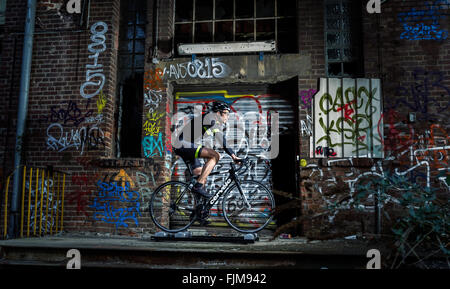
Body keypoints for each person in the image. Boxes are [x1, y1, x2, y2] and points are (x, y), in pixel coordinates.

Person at [173, 101, 241, 198]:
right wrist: (233, 156)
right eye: (226, 113)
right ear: (218, 113)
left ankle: (198, 208)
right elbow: (220, 138)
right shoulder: (210, 118)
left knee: (200, 173)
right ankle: (198, 186)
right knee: (215, 155)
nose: (228, 117)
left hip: (185, 145)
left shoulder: (209, 119)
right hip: (182, 144)